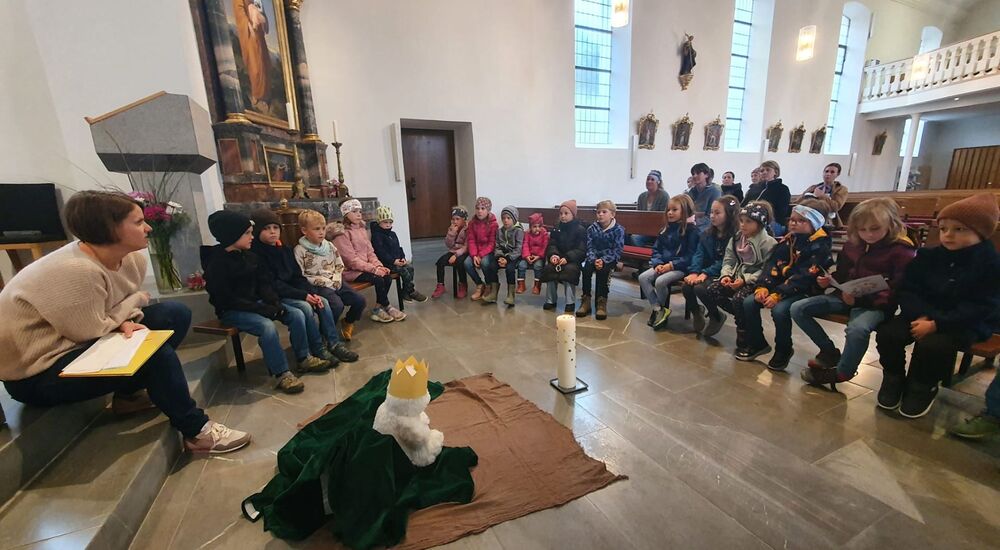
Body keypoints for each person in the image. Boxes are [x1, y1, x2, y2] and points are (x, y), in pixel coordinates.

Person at [0, 191, 250, 454]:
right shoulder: (76, 269)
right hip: (38, 370)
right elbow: (89, 330)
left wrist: (124, 318)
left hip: (77, 340)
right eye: (139, 222)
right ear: (108, 228)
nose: (149, 227)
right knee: (154, 353)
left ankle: (128, 396)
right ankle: (197, 432)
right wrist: (132, 306)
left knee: (174, 314)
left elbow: (112, 310)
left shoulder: (131, 258)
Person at [875, 193, 1000, 418]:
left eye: (959, 229)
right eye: (943, 229)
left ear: (980, 232)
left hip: (963, 321)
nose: (948, 235)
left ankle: (923, 386)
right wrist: (921, 315)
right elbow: (909, 289)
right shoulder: (928, 256)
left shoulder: (990, 263)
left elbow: (982, 305)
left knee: (934, 345)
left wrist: (937, 323)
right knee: (889, 333)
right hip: (922, 315)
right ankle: (893, 377)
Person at [792, 198, 915, 389]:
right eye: (862, 229)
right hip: (845, 297)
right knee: (798, 308)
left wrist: (859, 299)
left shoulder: (901, 250)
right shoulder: (852, 245)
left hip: (875, 305)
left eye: (875, 228)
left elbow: (898, 287)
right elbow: (843, 274)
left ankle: (843, 371)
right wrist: (828, 281)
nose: (868, 234)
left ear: (890, 225)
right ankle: (829, 351)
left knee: (857, 329)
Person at [202, 211, 321, 395]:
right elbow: (227, 299)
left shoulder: (250, 256)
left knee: (296, 313)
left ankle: (303, 357)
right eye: (247, 233)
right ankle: (281, 373)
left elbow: (265, 285)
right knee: (266, 326)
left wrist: (275, 305)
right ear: (232, 235)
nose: (252, 236)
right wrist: (265, 309)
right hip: (232, 309)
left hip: (257, 303)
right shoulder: (217, 263)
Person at [250, 209, 357, 366]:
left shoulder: (284, 250)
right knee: (304, 309)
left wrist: (310, 293)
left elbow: (297, 276)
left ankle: (333, 343)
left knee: (323, 302)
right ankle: (315, 349)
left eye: (275, 227)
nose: (272, 232)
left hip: (292, 292)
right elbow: (273, 284)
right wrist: (303, 296)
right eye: (266, 228)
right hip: (275, 295)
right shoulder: (256, 255)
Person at [739, 201, 834, 369]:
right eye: (792, 219)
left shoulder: (820, 245)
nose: (793, 223)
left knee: (780, 310)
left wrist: (778, 294)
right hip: (782, 286)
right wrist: (763, 286)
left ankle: (783, 349)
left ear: (815, 223)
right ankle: (757, 343)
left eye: (801, 220)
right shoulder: (788, 240)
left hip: (804, 289)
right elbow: (771, 264)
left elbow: (804, 276)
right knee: (749, 302)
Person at [701, 202, 777, 342]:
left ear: (759, 223)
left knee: (738, 299)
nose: (743, 225)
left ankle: (742, 330)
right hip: (736, 277)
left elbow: (766, 269)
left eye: (748, 222)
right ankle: (742, 319)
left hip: (756, 281)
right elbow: (728, 260)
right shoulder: (736, 238)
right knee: (712, 289)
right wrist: (726, 275)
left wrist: (745, 279)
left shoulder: (768, 243)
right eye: (741, 221)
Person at [294, 209, 367, 342]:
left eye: (323, 228)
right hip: (319, 285)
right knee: (336, 305)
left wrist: (337, 278)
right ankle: (326, 331)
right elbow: (301, 274)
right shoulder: (300, 250)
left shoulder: (329, 246)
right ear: (304, 231)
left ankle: (348, 321)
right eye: (317, 229)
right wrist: (324, 282)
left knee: (360, 300)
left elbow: (339, 264)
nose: (321, 232)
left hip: (336, 280)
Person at [333, 199, 405, 323]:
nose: (358, 214)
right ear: (345, 214)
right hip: (350, 271)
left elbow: (370, 252)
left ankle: (378, 308)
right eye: (354, 211)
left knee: (386, 276)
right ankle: (386, 306)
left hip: (366, 267)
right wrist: (374, 270)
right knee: (378, 279)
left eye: (360, 211)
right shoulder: (341, 233)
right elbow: (351, 260)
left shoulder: (361, 229)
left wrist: (379, 266)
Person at [638, 195, 699, 330]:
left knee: (660, 282)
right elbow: (656, 249)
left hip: (681, 267)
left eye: (674, 210)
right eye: (668, 210)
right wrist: (658, 263)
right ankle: (658, 309)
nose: (670, 213)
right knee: (643, 278)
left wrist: (671, 265)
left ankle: (659, 312)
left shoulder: (691, 231)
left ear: (685, 211)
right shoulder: (665, 229)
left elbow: (690, 255)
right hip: (663, 265)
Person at [685, 195, 741, 334]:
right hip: (708, 271)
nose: (712, 216)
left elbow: (728, 260)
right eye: (711, 212)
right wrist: (694, 272)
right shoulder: (707, 234)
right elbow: (699, 254)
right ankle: (696, 312)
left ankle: (716, 316)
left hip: (727, 273)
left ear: (729, 215)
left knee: (700, 288)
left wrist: (706, 273)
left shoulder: (736, 236)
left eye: (717, 213)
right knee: (687, 287)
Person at [579, 200, 626, 320]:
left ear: (612, 214)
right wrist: (594, 259)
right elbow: (590, 246)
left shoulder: (618, 230)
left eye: (604, 212)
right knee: (586, 269)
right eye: (598, 212)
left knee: (603, 271)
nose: (600, 214)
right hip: (594, 257)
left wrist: (603, 261)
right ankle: (586, 300)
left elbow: (617, 250)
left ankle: (601, 302)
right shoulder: (592, 228)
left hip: (609, 258)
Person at [370, 206, 427, 302]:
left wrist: (402, 258)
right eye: (385, 222)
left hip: (397, 262)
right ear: (379, 222)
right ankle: (410, 291)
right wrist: (393, 261)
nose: (388, 225)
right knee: (404, 272)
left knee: (410, 268)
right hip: (386, 264)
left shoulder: (393, 234)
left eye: (390, 222)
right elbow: (380, 252)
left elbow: (399, 248)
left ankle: (406, 291)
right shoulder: (377, 236)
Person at [540, 200, 587, 313]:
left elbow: (581, 249)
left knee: (569, 272)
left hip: (572, 260)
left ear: (573, 214)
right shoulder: (557, 227)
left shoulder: (580, 229)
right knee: (550, 269)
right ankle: (551, 300)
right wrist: (553, 255)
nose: (563, 216)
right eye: (561, 213)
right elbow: (552, 244)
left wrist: (567, 258)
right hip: (558, 257)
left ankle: (570, 302)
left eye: (566, 213)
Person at [464, 197, 499, 302]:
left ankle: (489, 285)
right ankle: (479, 284)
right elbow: (471, 240)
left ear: (488, 210)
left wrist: (480, 255)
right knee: (467, 263)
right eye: (477, 208)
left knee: (485, 263)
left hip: (488, 252)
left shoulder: (493, 224)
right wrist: (474, 255)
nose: (479, 211)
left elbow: (492, 243)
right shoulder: (472, 223)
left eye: (483, 208)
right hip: (476, 252)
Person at [431, 205, 469, 299]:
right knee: (440, 262)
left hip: (464, 252)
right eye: (453, 219)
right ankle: (440, 285)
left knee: (460, 263)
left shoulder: (468, 229)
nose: (455, 221)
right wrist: (452, 233)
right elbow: (449, 245)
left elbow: (467, 246)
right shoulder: (452, 228)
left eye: (457, 219)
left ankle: (463, 284)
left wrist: (456, 255)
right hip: (453, 251)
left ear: (464, 219)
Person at [743, 160, 791, 233]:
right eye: (762, 171)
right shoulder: (754, 188)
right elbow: (743, 205)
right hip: (750, 219)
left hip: (773, 222)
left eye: (768, 170)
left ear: (776, 172)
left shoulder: (782, 189)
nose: (764, 172)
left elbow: (781, 212)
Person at [796, 162, 849, 227]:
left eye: (832, 172)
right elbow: (798, 201)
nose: (828, 174)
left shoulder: (841, 189)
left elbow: (836, 207)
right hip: (808, 217)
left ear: (837, 174)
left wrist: (822, 196)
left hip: (828, 221)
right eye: (826, 171)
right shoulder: (814, 187)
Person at [493, 206, 524, 307]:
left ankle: (511, 295)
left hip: (514, 256)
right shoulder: (500, 231)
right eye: (503, 218)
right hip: (502, 255)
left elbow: (518, 249)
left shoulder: (518, 231)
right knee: (491, 266)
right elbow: (497, 246)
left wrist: (507, 258)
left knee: (510, 269)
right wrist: (500, 257)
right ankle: (493, 292)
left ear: (514, 219)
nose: (505, 220)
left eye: (508, 218)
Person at [633, 170, 670, 246]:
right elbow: (638, 215)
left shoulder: (664, 195)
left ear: (658, 182)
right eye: (648, 179)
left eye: (652, 179)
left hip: (659, 230)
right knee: (630, 237)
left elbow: (664, 216)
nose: (649, 181)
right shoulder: (642, 196)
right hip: (644, 229)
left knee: (635, 238)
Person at [518, 212, 549, 295]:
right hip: (529, 256)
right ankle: (521, 285)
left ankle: (537, 285)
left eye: (539, 226)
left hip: (539, 257)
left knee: (538, 266)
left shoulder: (544, 234)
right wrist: (527, 256)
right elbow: (525, 245)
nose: (537, 229)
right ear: (530, 227)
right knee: (521, 265)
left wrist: (538, 256)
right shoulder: (527, 234)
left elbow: (544, 247)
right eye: (534, 227)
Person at [686, 163, 722, 232]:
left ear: (707, 175)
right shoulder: (691, 191)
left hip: (706, 227)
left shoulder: (714, 191)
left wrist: (693, 220)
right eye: (693, 174)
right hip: (691, 224)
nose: (695, 176)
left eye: (698, 173)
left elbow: (711, 216)